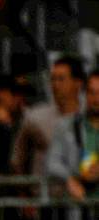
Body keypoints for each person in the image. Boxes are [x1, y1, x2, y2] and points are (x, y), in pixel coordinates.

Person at [47, 71, 99, 200]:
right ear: (85, 94)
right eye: (92, 92)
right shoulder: (67, 125)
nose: (96, 99)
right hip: (78, 206)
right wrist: (69, 178)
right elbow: (51, 163)